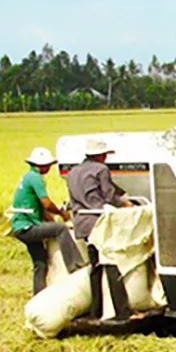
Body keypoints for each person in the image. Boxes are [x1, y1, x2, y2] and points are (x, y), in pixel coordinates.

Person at [66, 137, 134, 320]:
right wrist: (126, 204)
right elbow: (109, 196)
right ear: (101, 155)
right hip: (99, 222)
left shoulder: (73, 172)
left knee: (95, 267)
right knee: (112, 263)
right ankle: (122, 312)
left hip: (82, 222)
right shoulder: (101, 169)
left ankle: (96, 311)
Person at [10, 147, 85, 295]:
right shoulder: (36, 178)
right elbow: (46, 203)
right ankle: (75, 265)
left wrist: (52, 221)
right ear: (42, 165)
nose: (50, 168)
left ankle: (39, 296)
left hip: (20, 226)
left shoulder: (28, 176)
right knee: (60, 229)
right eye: (49, 165)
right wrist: (62, 215)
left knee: (40, 262)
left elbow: (42, 210)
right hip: (27, 226)